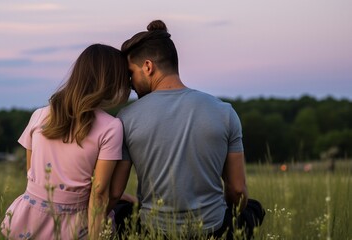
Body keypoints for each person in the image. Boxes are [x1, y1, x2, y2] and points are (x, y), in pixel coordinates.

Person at [113, 20, 265, 239]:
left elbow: (114, 192)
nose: (130, 84)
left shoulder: (126, 118)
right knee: (253, 208)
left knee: (119, 207)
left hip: (153, 231)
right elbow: (237, 191)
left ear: (148, 67)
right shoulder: (224, 111)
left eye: (131, 74)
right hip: (213, 230)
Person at [0, 44, 131, 240]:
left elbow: (32, 174)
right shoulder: (111, 127)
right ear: (112, 81)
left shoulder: (39, 115)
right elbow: (100, 193)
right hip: (74, 225)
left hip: (28, 219)